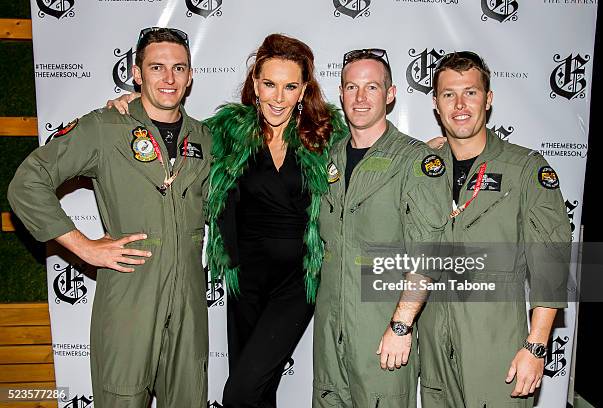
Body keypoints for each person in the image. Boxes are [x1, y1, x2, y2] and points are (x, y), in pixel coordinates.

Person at [107, 33, 347, 407]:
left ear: (303, 91)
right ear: (255, 84)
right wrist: (132, 105)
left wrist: (436, 146)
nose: (278, 98)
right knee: (260, 392)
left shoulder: (326, 135)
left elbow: (372, 151)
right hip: (242, 279)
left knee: (238, 393)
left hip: (297, 282)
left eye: (290, 87)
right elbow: (172, 129)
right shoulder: (224, 133)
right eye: (269, 84)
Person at [8, 28, 211, 407]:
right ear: (137, 73)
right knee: (121, 398)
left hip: (188, 304)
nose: (168, 78)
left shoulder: (205, 138)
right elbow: (27, 183)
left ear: (190, 75)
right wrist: (82, 246)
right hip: (129, 297)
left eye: (178, 68)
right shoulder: (105, 127)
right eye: (156, 67)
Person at [419, 51, 571, 407]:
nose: (460, 105)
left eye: (470, 93)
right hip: (436, 347)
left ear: (488, 100)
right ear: (436, 105)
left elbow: (551, 261)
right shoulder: (425, 168)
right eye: (448, 94)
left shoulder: (524, 168)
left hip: (496, 345)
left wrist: (536, 346)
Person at [312, 48, 451, 408]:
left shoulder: (415, 161)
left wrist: (401, 327)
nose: (360, 98)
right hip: (330, 332)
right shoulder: (329, 156)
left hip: (382, 331)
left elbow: (427, 255)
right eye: (351, 88)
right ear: (340, 93)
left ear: (390, 95)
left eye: (372, 88)